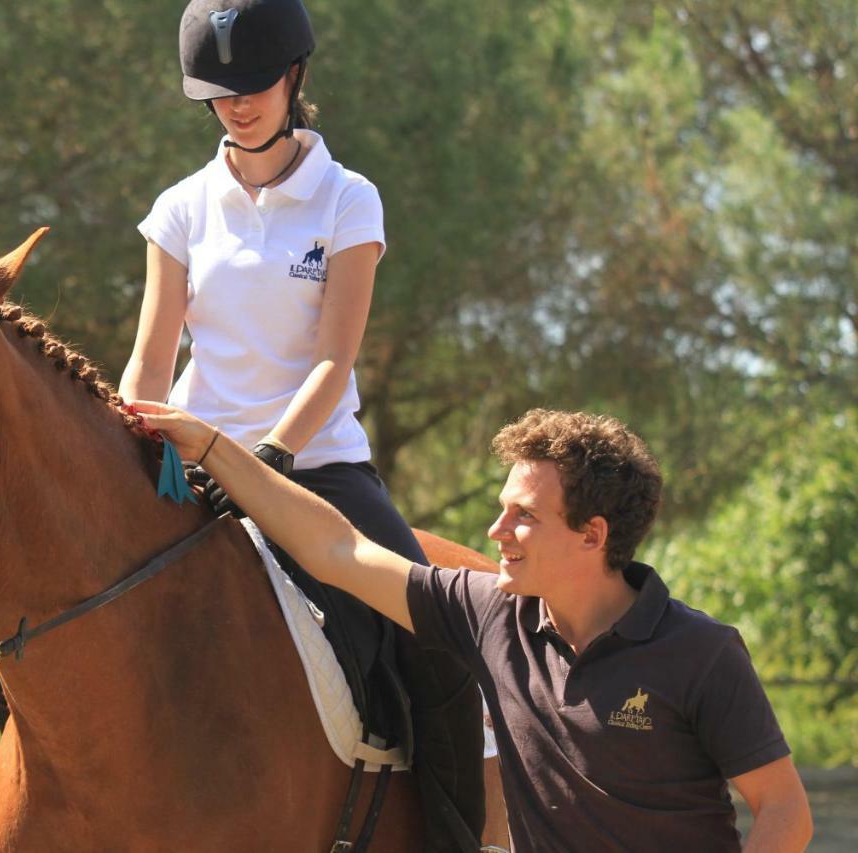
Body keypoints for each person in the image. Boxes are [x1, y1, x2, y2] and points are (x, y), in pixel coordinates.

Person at [119, 1, 484, 846]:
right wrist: (137, 434)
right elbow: (151, 353)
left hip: (316, 465)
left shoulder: (348, 200)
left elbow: (334, 357)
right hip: (191, 468)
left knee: (435, 632)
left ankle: (456, 835)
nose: (237, 104)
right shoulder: (179, 207)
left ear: (295, 77)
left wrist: (271, 456)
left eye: (252, 84)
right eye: (218, 90)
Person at [132, 401, 814, 852]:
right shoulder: (488, 611)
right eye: (500, 507)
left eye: (524, 515)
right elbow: (338, 549)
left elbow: (784, 810)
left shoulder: (700, 652)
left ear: (592, 535)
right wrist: (217, 448)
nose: (496, 531)